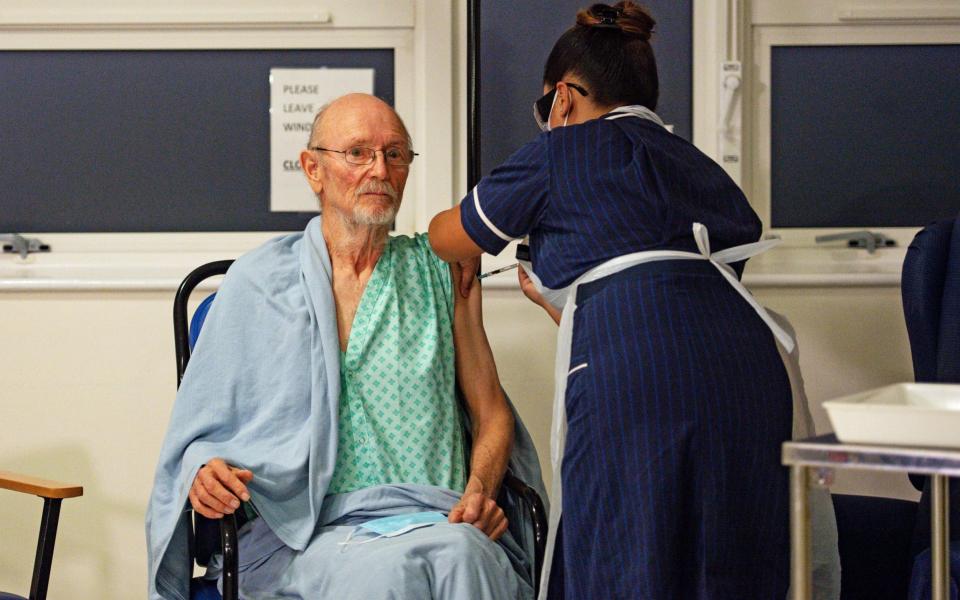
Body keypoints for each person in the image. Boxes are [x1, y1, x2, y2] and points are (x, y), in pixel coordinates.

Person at [429, 2, 794, 598]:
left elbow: (452, 236)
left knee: (626, 543)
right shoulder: (697, 165)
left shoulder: (560, 152)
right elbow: (678, 283)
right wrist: (565, 303)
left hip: (639, 374)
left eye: (545, 107)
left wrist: (439, 233)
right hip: (747, 367)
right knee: (729, 547)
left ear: (564, 99)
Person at [146, 93, 543, 600]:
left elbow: (492, 414)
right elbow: (199, 434)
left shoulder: (443, 268)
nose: (379, 168)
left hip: (437, 517)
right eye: (358, 153)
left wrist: (481, 490)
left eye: (395, 154)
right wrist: (204, 473)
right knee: (394, 574)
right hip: (305, 533)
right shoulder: (258, 282)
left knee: (463, 556)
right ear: (314, 169)